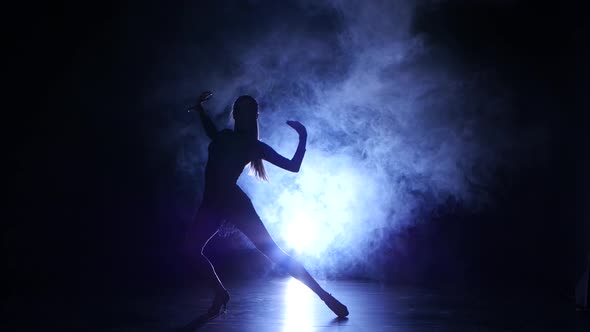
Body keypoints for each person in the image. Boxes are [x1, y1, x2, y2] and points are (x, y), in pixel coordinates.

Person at [185, 91, 349, 318]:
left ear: (254, 117)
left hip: (234, 203)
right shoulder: (223, 136)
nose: (247, 115)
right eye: (243, 110)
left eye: (252, 112)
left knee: (274, 253)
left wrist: (302, 138)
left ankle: (325, 297)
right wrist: (201, 110)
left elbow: (293, 166)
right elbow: (211, 132)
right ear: (235, 113)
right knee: (191, 250)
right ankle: (220, 293)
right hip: (212, 203)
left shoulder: (254, 146)